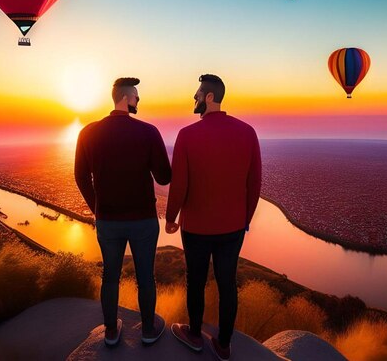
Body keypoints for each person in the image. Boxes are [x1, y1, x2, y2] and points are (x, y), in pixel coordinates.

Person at [165, 74, 261, 361]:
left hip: (195, 227)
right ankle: (224, 344)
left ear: (209, 97)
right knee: (227, 282)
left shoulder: (187, 135)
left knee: (195, 280)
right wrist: (245, 218)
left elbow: (179, 184)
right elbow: (254, 182)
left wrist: (171, 217)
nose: (193, 98)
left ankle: (194, 335)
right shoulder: (248, 132)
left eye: (197, 94)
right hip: (233, 227)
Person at [74, 77, 171, 347]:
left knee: (110, 276)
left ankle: (110, 332)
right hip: (143, 220)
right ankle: (149, 330)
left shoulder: (87, 133)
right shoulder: (148, 131)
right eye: (137, 97)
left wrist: (98, 208)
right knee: (145, 277)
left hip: (108, 221)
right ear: (127, 98)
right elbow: (164, 177)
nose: (138, 101)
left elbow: (80, 176)